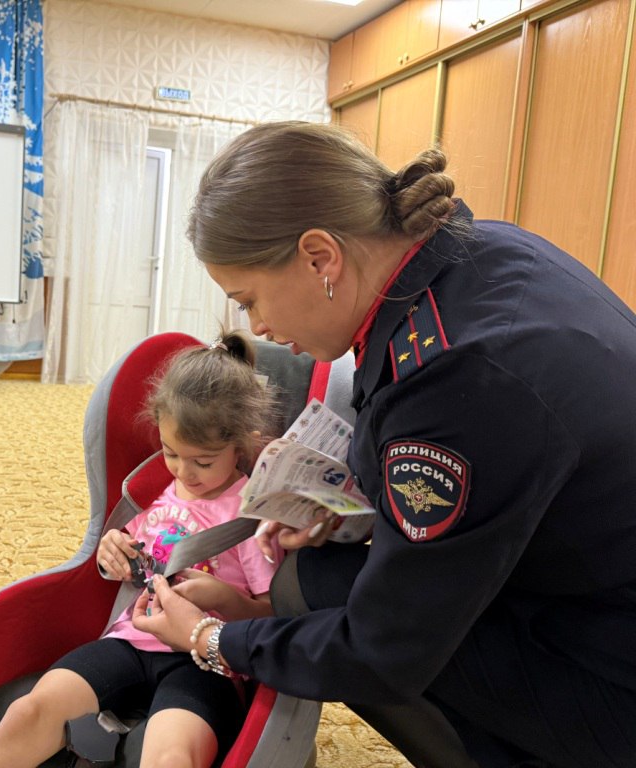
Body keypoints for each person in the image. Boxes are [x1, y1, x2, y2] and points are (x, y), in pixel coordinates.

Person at [133, 121, 636, 768]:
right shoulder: (474, 252)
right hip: (585, 578)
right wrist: (363, 511)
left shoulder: (459, 378)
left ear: (321, 257)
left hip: (611, 672)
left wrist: (214, 640)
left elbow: (382, 650)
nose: (257, 326)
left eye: (249, 298)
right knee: (313, 576)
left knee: (339, 617)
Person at [0, 331, 287, 768]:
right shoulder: (158, 489)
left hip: (204, 659)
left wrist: (225, 598)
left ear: (242, 443)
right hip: (130, 642)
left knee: (171, 756)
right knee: (28, 710)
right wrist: (110, 550)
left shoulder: (252, 515)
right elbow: (123, 554)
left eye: (204, 461)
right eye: (172, 453)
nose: (184, 472)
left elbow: (274, 615)